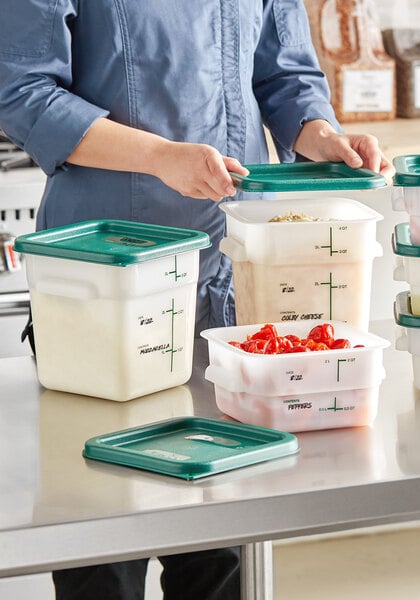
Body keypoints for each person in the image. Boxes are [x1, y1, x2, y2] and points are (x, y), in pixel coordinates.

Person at [0, 1, 394, 599]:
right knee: (104, 549)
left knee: (223, 543)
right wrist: (160, 156)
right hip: (106, 292)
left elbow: (285, 76)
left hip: (233, 282)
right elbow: (24, 92)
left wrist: (325, 138)